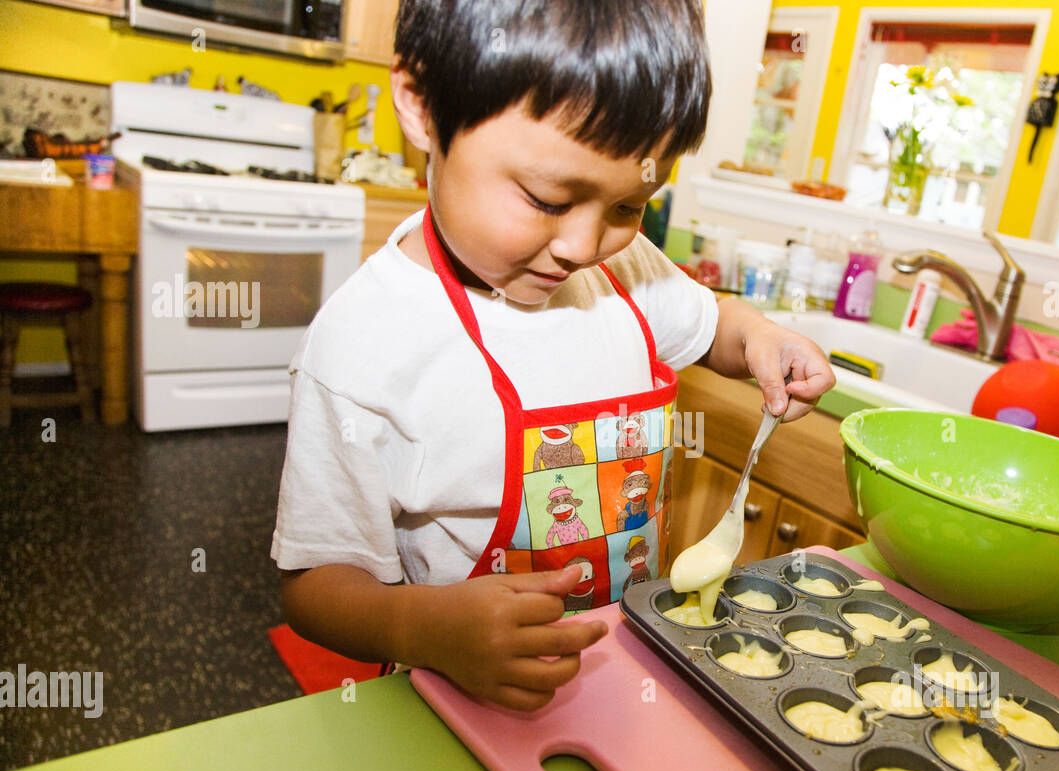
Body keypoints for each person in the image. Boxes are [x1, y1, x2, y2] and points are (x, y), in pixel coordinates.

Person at [272, 0, 835, 711]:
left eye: (628, 207)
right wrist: (425, 628)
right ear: (421, 106)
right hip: (456, 697)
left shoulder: (623, 276)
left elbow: (711, 324)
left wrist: (759, 335)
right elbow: (316, 587)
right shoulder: (362, 346)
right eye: (545, 198)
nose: (581, 247)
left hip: (628, 667)